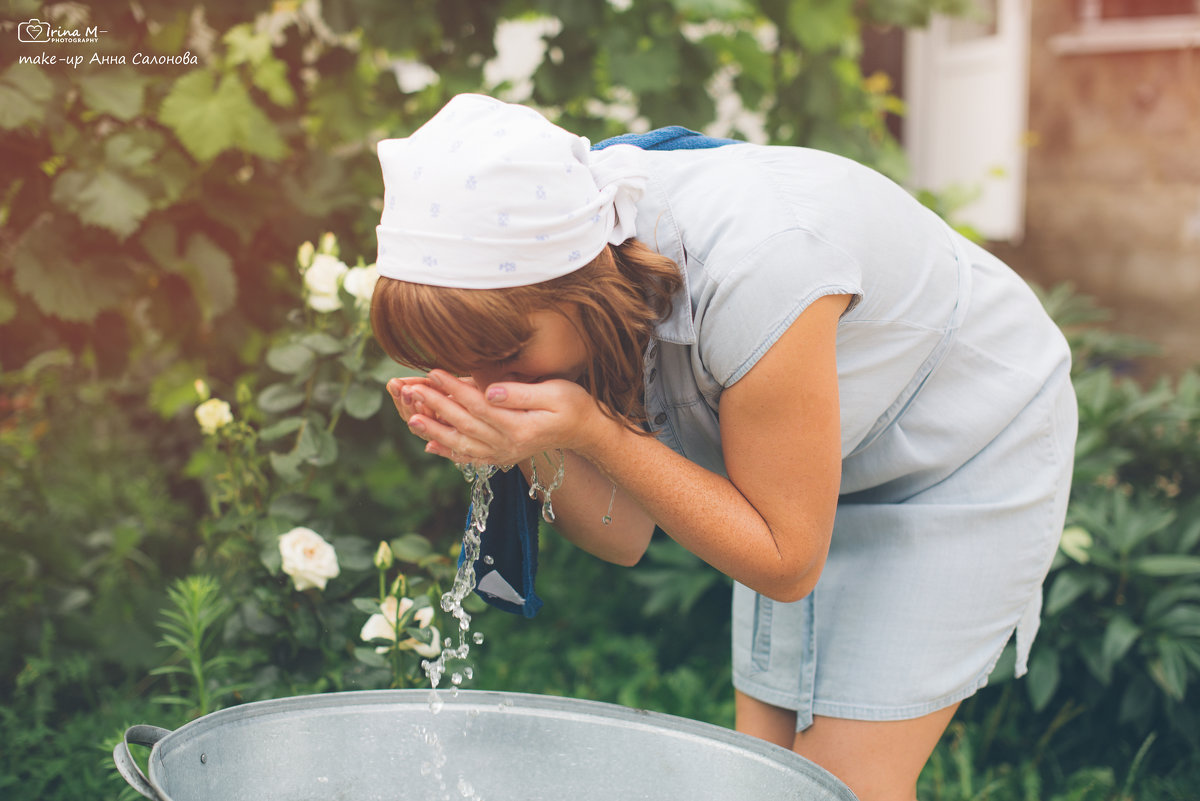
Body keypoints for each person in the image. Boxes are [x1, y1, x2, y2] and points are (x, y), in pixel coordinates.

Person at [369, 93, 1077, 801]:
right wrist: (521, 440)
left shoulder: (759, 265)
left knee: (846, 784)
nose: (483, 382)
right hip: (814, 470)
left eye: (501, 354)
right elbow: (623, 534)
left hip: (968, 442)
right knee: (759, 779)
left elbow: (785, 560)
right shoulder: (589, 290)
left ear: (580, 286)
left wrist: (590, 430)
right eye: (454, 361)